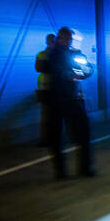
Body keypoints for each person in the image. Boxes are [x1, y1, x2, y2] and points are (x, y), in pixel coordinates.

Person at [47, 27, 94, 180]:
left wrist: (82, 72)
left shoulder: (74, 53)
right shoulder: (54, 54)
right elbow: (56, 70)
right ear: (59, 39)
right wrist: (71, 74)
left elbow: (87, 69)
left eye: (69, 39)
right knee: (56, 137)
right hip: (57, 100)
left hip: (73, 99)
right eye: (64, 39)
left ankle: (84, 168)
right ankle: (60, 172)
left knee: (84, 134)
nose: (67, 42)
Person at [35, 34, 55, 146]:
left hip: (54, 89)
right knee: (46, 116)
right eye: (51, 41)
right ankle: (45, 139)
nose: (53, 43)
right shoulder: (43, 54)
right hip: (46, 90)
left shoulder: (56, 54)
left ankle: (51, 138)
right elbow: (39, 68)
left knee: (52, 116)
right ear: (48, 42)